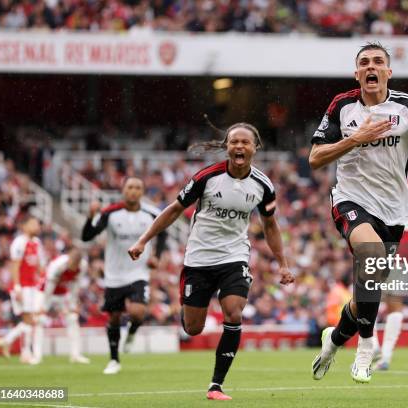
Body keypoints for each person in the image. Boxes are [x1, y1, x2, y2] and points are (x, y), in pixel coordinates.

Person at [309, 42, 408, 383]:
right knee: (371, 254)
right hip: (350, 199)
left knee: (366, 293)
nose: (371, 67)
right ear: (357, 73)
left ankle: (333, 341)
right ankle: (364, 351)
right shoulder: (342, 106)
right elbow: (315, 158)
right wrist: (354, 139)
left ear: (388, 72)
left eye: (378, 62)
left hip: (394, 210)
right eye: (364, 63)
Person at [128, 122, 294, 401]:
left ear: (255, 147)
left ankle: (216, 385)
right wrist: (143, 240)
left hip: (235, 256)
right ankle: (190, 307)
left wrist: (283, 263)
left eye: (245, 142)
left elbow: (271, 225)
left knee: (234, 313)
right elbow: (174, 210)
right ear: (227, 146)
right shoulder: (206, 177)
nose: (239, 146)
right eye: (234, 142)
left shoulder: (263, 186)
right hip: (199, 258)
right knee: (193, 328)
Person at [81, 177, 165, 374]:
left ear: (142, 191)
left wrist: (156, 256)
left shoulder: (151, 213)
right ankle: (114, 360)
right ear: (123, 190)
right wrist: (89, 216)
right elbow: (87, 236)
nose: (133, 191)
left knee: (137, 313)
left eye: (138, 187)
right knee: (114, 318)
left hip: (139, 272)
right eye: (130, 187)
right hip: (114, 275)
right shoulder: (110, 213)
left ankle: (133, 331)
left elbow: (163, 233)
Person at [374, 174, 408, 370]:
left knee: (366, 296)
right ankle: (386, 356)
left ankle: (373, 345)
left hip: (380, 244)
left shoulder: (382, 178)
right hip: (404, 249)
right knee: (395, 303)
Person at [0, 215, 45, 363]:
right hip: (21, 287)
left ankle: (16, 347)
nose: (37, 227)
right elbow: (15, 265)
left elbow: (39, 267)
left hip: (32, 286)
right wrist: (17, 288)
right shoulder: (19, 242)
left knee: (32, 320)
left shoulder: (36, 243)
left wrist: (43, 282)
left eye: (38, 224)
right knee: (29, 319)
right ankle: (22, 350)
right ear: (24, 226)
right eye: (33, 224)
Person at [31, 246, 90, 364]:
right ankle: (37, 356)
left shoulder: (82, 266)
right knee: (39, 320)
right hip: (44, 293)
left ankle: (75, 354)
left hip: (62, 294)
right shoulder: (57, 265)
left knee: (73, 319)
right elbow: (49, 286)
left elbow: (74, 286)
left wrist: (73, 305)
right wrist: (44, 306)